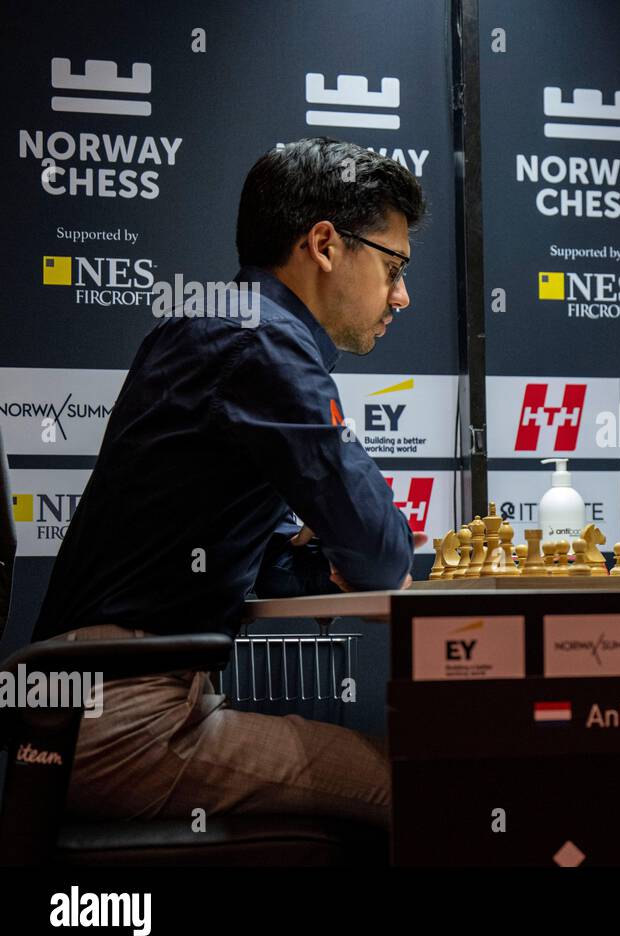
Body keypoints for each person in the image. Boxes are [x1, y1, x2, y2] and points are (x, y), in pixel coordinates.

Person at [31, 137, 427, 828]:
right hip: (128, 720)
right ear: (325, 243)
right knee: (424, 792)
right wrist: (346, 555)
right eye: (392, 264)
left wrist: (313, 561)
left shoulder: (207, 324)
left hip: (80, 707)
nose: (403, 294)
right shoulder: (262, 344)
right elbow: (381, 554)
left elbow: (262, 565)